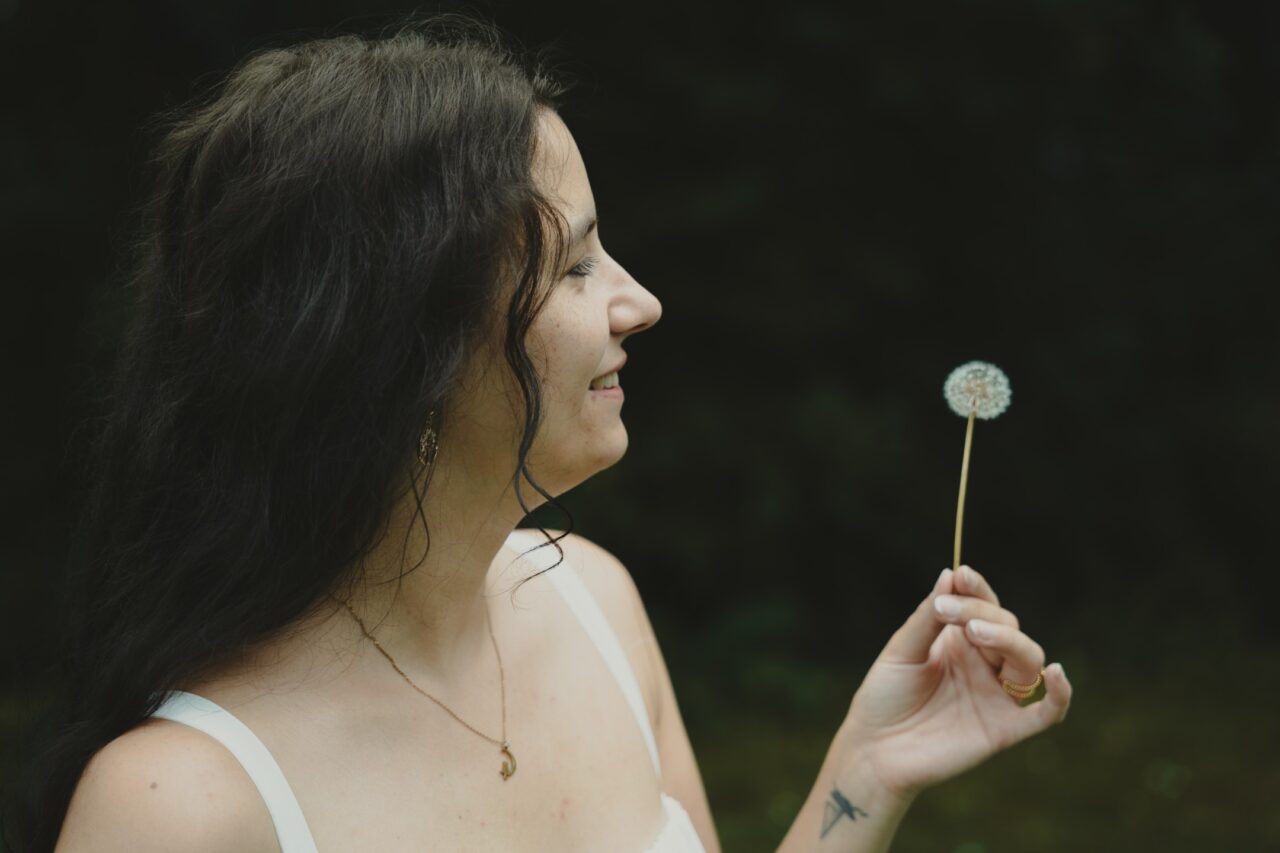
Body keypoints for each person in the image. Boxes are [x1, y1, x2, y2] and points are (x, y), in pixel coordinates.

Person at [11, 13, 1071, 853]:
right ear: (398, 355)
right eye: (572, 266)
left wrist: (865, 769)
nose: (640, 301)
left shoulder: (594, 604)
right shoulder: (179, 805)